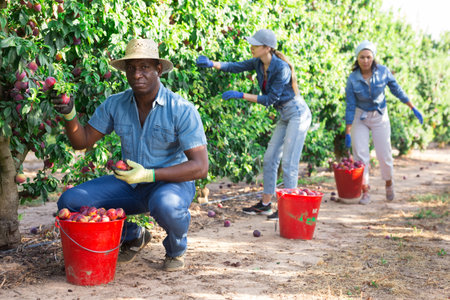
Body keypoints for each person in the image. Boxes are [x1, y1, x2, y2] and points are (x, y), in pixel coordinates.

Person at [53, 39, 208, 271]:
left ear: (158, 70)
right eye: (131, 68)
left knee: (166, 205)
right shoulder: (116, 104)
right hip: (130, 183)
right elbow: (82, 142)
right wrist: (69, 114)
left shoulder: (181, 109)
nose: (137, 74)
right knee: (71, 202)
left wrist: (149, 175)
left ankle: (176, 249)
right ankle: (134, 235)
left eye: (144, 67)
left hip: (171, 184)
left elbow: (200, 167)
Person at [196, 29, 311, 220]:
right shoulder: (258, 62)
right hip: (285, 114)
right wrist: (211, 64)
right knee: (269, 158)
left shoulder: (281, 68)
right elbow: (235, 66)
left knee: (289, 162)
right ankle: (265, 204)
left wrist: (240, 95)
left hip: (297, 113)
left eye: (255, 45)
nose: (251, 47)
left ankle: (288, 209)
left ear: (267, 48)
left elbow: (270, 100)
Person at [345, 40, 423, 205]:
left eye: (368, 57)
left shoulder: (383, 72)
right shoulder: (352, 79)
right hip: (361, 116)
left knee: (384, 154)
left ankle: (388, 182)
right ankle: (365, 191)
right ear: (357, 59)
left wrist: (412, 107)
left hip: (380, 115)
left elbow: (397, 90)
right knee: (360, 156)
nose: (365, 61)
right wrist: (348, 131)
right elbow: (350, 105)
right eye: (362, 57)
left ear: (373, 58)